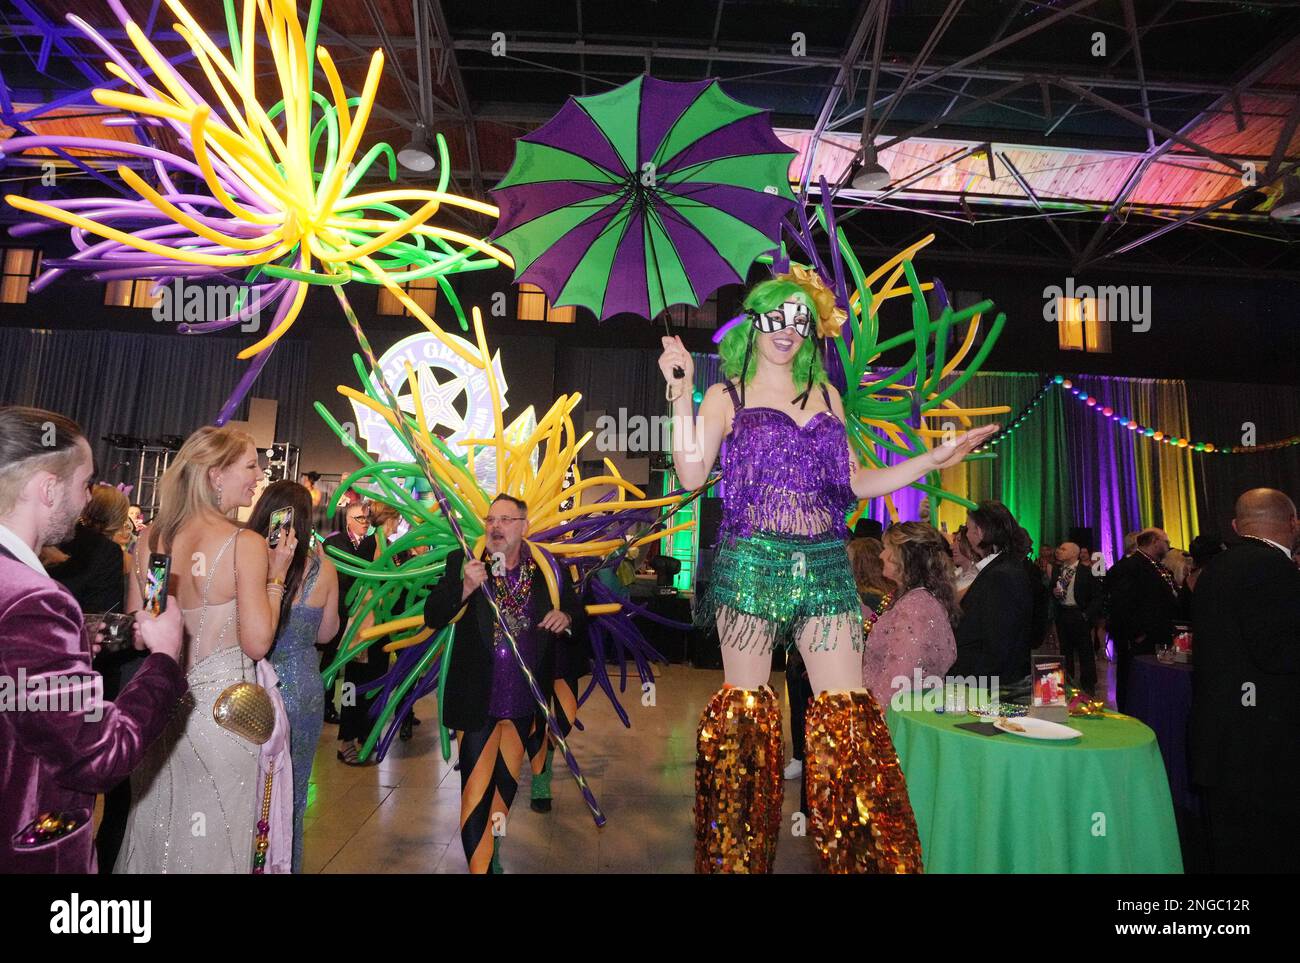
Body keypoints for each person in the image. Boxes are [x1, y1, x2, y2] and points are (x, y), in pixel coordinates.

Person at [660, 267, 994, 873]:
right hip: (752, 565)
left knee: (849, 715)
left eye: (800, 319)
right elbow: (689, 474)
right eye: (775, 316)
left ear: (811, 329)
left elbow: (855, 484)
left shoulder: (828, 396)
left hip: (823, 565)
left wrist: (933, 459)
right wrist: (681, 391)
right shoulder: (725, 394)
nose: (787, 330)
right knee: (745, 718)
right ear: (755, 320)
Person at [0, 406, 187, 873]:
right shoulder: (35, 600)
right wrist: (164, 659)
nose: (88, 500)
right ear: (47, 487)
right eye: (84, 483)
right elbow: (100, 755)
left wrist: (71, 640)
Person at [116, 426, 296, 873]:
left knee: (157, 830)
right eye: (251, 465)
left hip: (159, 708)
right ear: (216, 475)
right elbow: (257, 643)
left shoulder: (152, 539)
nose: (259, 475)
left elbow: (141, 629)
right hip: (224, 715)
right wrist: (276, 578)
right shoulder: (246, 544)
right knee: (219, 840)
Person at [422, 494, 588, 873]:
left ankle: (493, 851)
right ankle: (480, 868)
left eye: (506, 520)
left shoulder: (548, 568)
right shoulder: (466, 563)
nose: (495, 527)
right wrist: (464, 587)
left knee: (504, 793)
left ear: (524, 526)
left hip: (522, 703)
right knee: (475, 795)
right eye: (490, 519)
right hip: (478, 702)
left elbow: (578, 610)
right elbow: (433, 615)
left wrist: (566, 616)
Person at [1190, 489, 1300, 873]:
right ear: (1293, 523)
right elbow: (1277, 653)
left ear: (1237, 526)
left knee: (1230, 850)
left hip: (1221, 741)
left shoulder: (1215, 568)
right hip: (1264, 750)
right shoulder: (1274, 569)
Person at [248, 481, 339, 873]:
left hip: (251, 686)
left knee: (247, 793)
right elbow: (326, 634)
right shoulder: (324, 568)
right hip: (302, 688)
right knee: (293, 794)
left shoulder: (247, 558)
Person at [861, 522, 958, 706]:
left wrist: (869, 717)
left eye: (886, 548)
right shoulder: (912, 599)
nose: (881, 555)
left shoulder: (916, 606)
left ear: (903, 557)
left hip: (897, 715)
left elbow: (897, 677)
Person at [337, 501, 401, 763]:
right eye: (397, 520)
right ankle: (346, 739)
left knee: (374, 682)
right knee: (353, 684)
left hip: (380, 628)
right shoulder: (369, 545)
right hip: (366, 627)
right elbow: (357, 584)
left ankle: (365, 735)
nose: (398, 525)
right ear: (389, 519)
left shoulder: (389, 547)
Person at [947, 502, 1036, 687]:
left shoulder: (1001, 575)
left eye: (968, 528)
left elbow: (997, 646)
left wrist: (968, 685)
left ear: (980, 532)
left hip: (988, 687)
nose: (966, 535)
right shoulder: (999, 569)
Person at [1103, 527, 1178, 713]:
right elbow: (1121, 604)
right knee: (1132, 683)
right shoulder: (1131, 567)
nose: (1169, 547)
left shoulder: (1153, 565)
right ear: (1154, 542)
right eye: (1166, 542)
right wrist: (1137, 634)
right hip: (1138, 642)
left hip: (1153, 638)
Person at [321, 495, 370, 725]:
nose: (366, 522)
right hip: (339, 611)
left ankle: (346, 708)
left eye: (367, 518)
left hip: (360, 613)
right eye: (361, 518)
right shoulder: (335, 544)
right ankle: (325, 704)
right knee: (332, 661)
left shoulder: (369, 544)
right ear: (349, 519)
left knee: (352, 666)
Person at [1051, 541, 1102, 693]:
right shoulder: (1058, 570)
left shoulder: (1087, 571)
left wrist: (1086, 615)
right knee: (1065, 651)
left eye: (1063, 549)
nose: (1058, 551)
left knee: (1085, 650)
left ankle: (1088, 684)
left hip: (1079, 614)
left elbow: (1097, 597)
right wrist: (1053, 593)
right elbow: (1052, 590)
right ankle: (1067, 682)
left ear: (1074, 553)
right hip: (1063, 613)